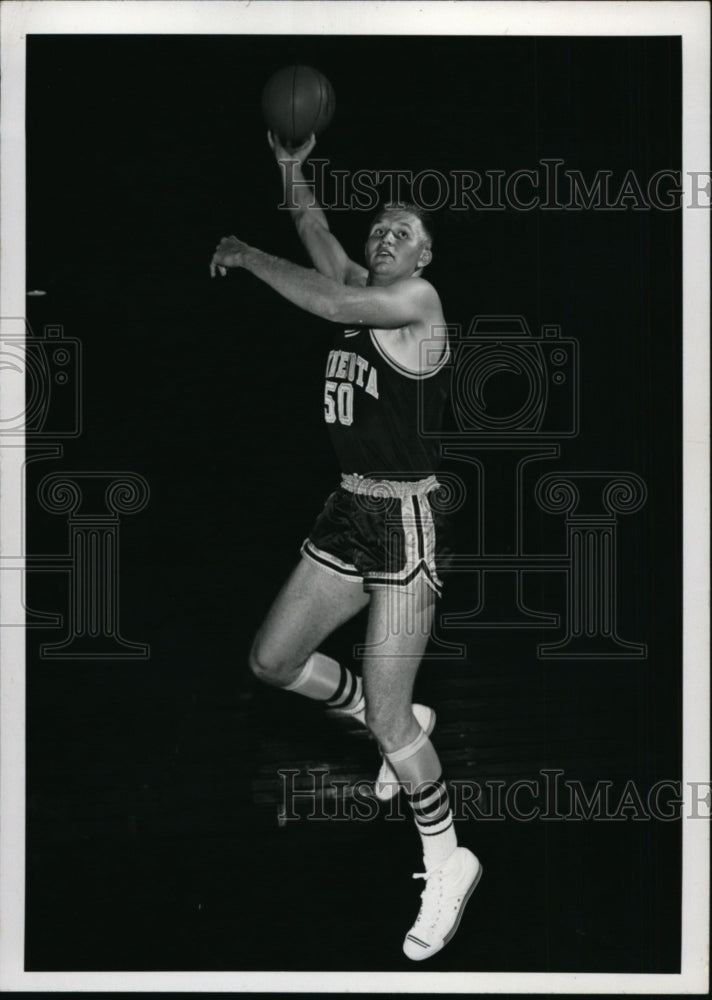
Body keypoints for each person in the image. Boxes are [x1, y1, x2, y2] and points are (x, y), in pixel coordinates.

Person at [210, 131, 482, 961]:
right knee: (272, 661)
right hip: (348, 511)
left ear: (426, 252)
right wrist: (292, 165)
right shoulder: (365, 284)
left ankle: (448, 860)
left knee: (400, 724)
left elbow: (327, 303)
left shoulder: (419, 304)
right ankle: (377, 711)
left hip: (404, 522)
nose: (384, 238)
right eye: (382, 230)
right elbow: (318, 232)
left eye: (402, 232)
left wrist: (245, 254)